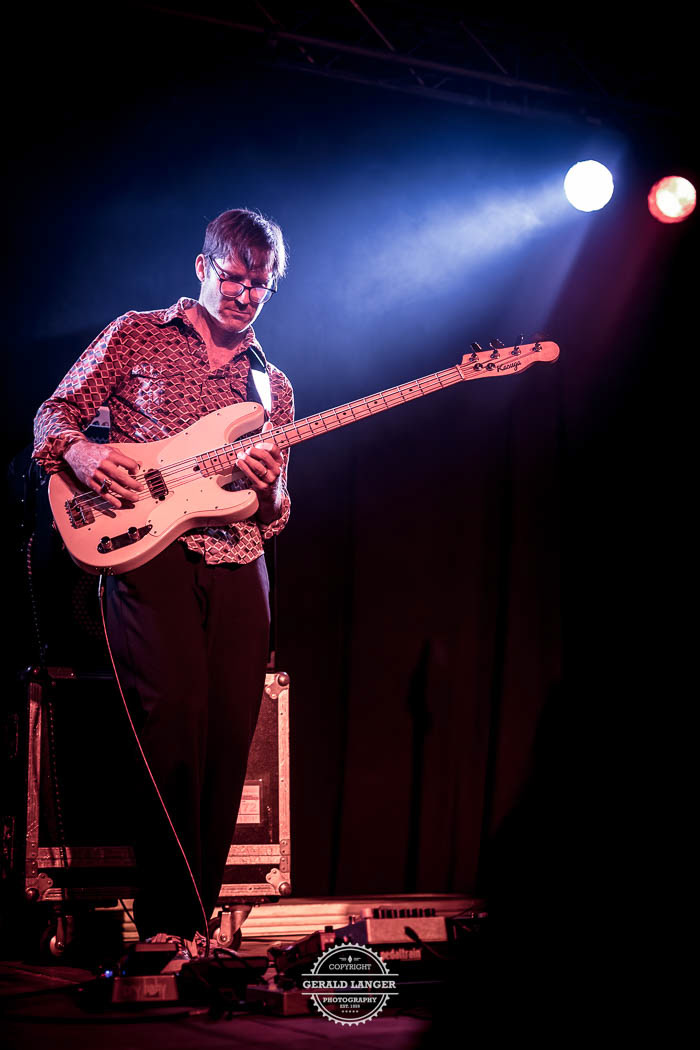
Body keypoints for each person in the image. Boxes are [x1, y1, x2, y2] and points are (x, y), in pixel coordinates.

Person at [32, 208, 294, 955]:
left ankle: (195, 931)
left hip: (239, 558)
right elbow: (54, 415)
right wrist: (83, 455)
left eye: (262, 285)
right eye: (235, 278)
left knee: (229, 736)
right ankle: (166, 924)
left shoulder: (271, 385)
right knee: (172, 721)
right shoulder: (137, 334)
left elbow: (276, 512)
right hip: (145, 547)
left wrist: (267, 486)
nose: (246, 295)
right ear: (203, 266)